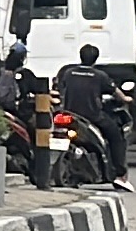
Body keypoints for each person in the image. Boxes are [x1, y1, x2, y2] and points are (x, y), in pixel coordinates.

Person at [55, 42, 131, 191]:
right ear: (95, 59)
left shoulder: (68, 73)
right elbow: (115, 92)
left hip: (69, 114)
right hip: (92, 116)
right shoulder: (99, 76)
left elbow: (60, 88)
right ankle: (120, 174)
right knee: (116, 137)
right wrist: (126, 99)